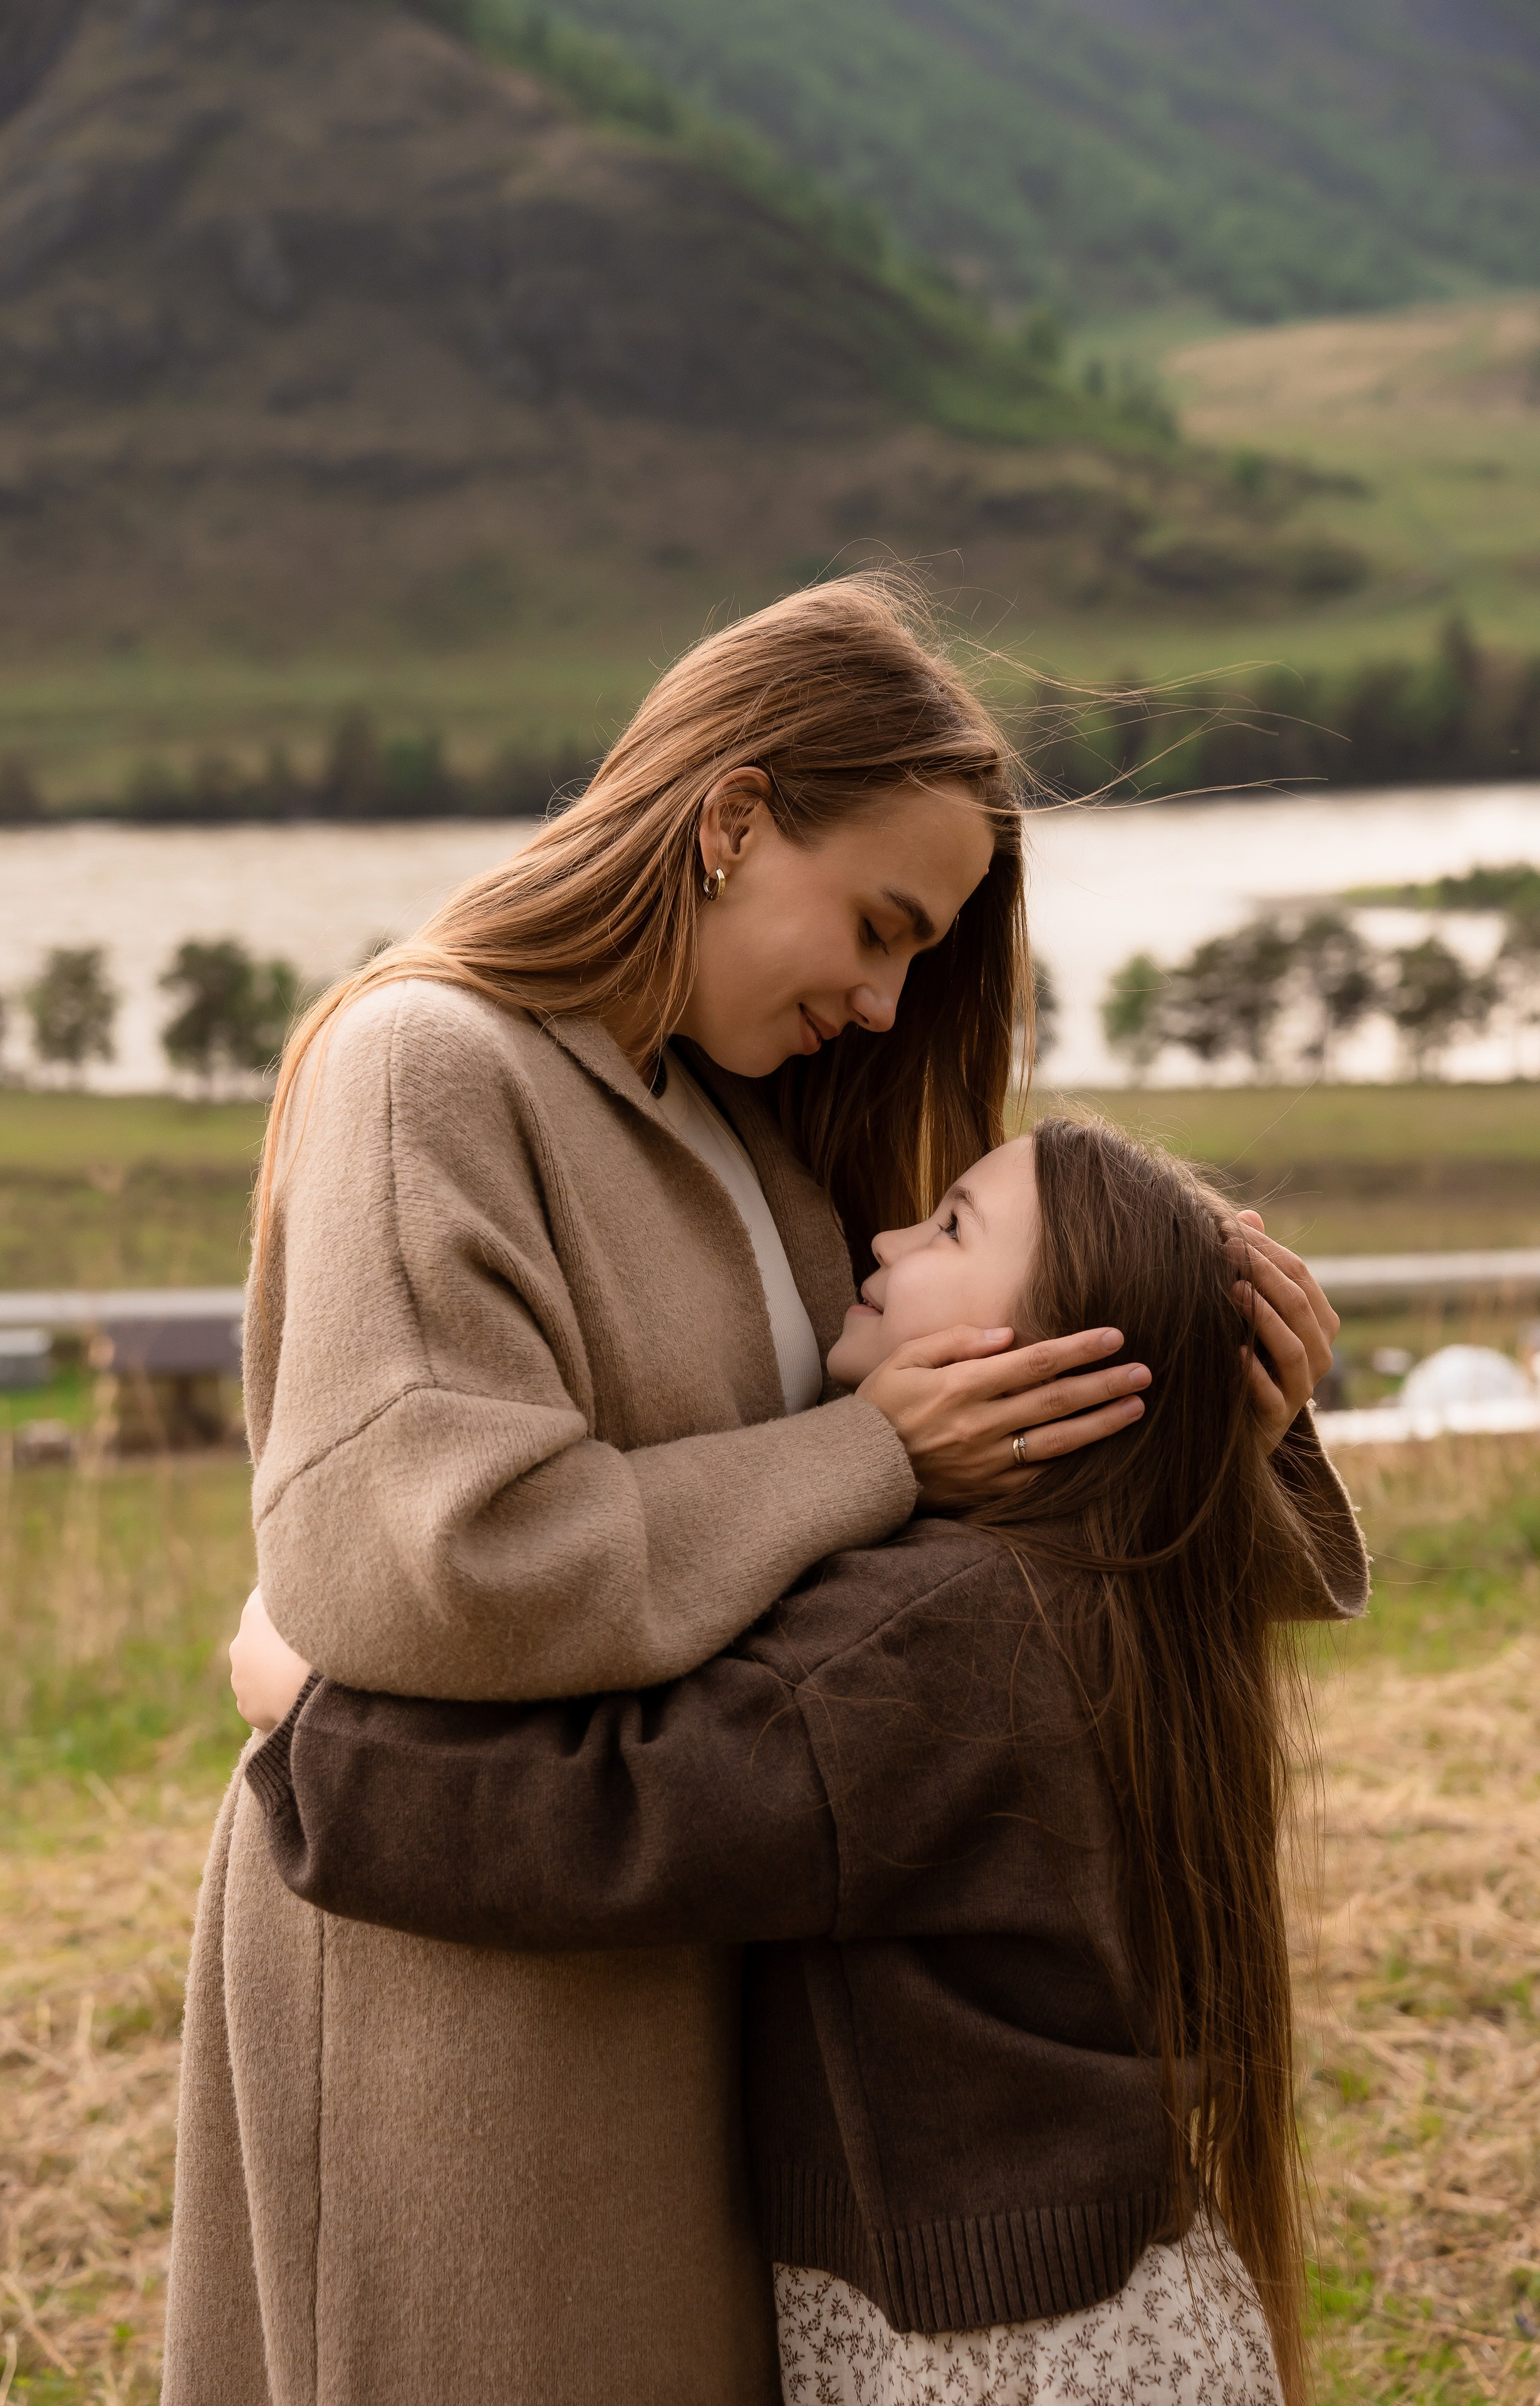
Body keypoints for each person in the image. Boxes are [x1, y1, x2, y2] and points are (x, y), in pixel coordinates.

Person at [166, 573, 1344, 2406]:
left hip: (680, 1966)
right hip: (461, 1996)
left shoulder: (738, 1130)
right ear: (730, 817)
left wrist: (1223, 1403)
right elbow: (439, 1567)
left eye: (917, 957)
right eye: (876, 926)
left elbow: (980, 1619)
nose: (885, 1005)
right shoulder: (431, 1067)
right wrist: (872, 1446)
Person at [231, 1113, 1365, 2406]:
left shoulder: (940, 1632)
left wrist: (312, 1720)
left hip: (1002, 2355)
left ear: (1053, 1356)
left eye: (950, 1227)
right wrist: (1226, 1431)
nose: (882, 1237)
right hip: (1110, 2317)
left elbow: (621, 1817)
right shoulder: (1090, 1594)